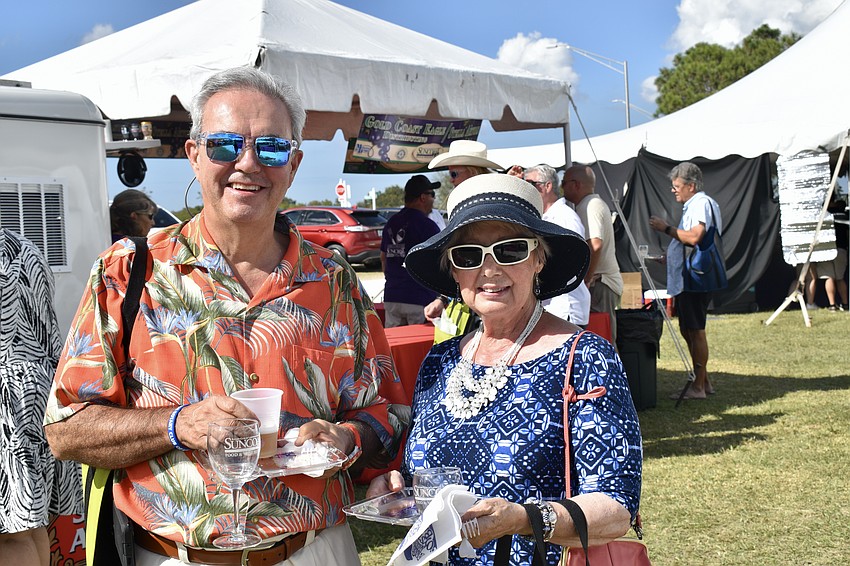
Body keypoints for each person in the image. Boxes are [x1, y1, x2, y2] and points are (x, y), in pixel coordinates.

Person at [44, 67, 408, 566]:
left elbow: (386, 411)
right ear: (194, 155)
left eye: (272, 148)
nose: (248, 163)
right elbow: (67, 429)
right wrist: (177, 425)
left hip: (316, 551)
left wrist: (348, 436)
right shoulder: (128, 272)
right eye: (224, 145)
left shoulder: (334, 278)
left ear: (295, 164)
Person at [369, 174, 642, 565]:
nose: (489, 270)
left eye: (509, 250)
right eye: (468, 256)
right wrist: (398, 490)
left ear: (539, 259)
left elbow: (616, 507)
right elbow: (430, 482)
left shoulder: (585, 358)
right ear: (454, 272)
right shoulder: (440, 362)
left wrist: (524, 519)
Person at [0, 229, 82, 566]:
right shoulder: (24, 245)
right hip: (37, 390)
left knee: (8, 533)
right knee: (27, 523)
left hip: (6, 399)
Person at [649, 161, 722, 399]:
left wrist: (665, 228)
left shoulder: (701, 203)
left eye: (677, 186)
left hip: (696, 278)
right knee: (688, 328)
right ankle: (704, 381)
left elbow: (694, 237)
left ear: (691, 186)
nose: (674, 190)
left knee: (695, 329)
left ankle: (699, 386)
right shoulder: (696, 204)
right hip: (690, 276)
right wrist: (670, 257)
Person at [423, 140, 503, 325]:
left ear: (473, 172)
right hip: (477, 303)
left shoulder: (492, 208)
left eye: (454, 173)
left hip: (493, 302)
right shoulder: (466, 207)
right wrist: (442, 299)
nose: (451, 179)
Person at [523, 164, 591, 326]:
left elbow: (571, 262)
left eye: (531, 184)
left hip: (565, 306)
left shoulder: (564, 218)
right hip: (555, 306)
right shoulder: (548, 217)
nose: (527, 189)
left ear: (547, 186)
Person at [561, 165, 624, 342]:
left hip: (600, 284)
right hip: (600, 284)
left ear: (576, 184)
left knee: (602, 340)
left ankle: (612, 370)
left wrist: (586, 278)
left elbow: (595, 244)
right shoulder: (589, 204)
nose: (562, 187)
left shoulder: (591, 206)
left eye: (564, 183)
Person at [380, 174, 441, 327]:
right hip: (420, 299)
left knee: (394, 347)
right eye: (432, 194)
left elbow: (383, 258)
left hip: (392, 296)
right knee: (419, 349)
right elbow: (439, 262)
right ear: (423, 197)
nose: (433, 199)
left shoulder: (391, 222)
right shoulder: (427, 226)